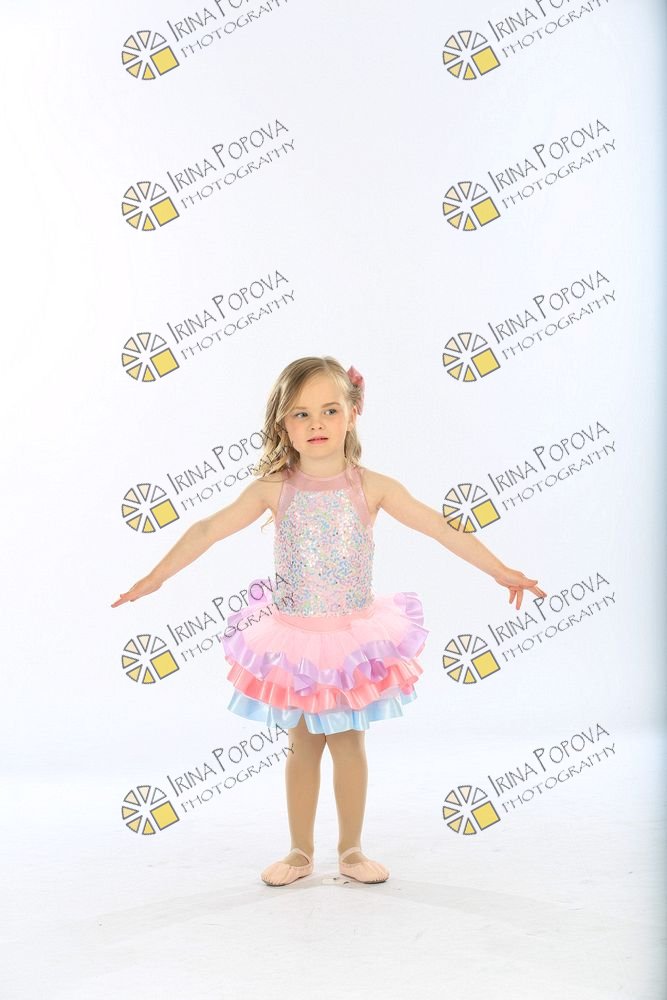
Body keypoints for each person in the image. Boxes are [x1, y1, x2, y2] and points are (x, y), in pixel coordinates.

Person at [111, 355, 546, 887]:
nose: (316, 423)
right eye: (301, 413)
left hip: (350, 642)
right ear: (283, 423)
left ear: (353, 413)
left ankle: (351, 849)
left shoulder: (373, 487)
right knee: (301, 748)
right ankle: (299, 851)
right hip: (295, 642)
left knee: (349, 745)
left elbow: (440, 527)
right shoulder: (274, 488)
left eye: (329, 410)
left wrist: (500, 570)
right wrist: (155, 578)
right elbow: (207, 530)